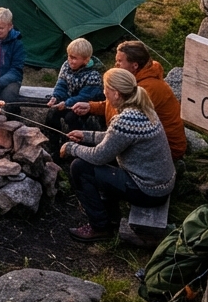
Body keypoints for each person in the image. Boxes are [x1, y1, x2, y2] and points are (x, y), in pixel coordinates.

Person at [61, 67, 176, 241]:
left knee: (80, 167)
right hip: (161, 182)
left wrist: (71, 148)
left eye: (106, 88)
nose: (103, 92)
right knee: (103, 164)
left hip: (149, 191)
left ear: (115, 93)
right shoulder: (142, 108)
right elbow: (116, 139)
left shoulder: (126, 120)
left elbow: (99, 156)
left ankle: (100, 227)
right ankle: (110, 215)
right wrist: (86, 135)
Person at [70, 41, 186, 161]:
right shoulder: (135, 79)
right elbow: (115, 103)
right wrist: (91, 107)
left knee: (87, 161)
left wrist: (93, 147)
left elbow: (123, 123)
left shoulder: (147, 89)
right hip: (144, 139)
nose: (116, 64)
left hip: (166, 150)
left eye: (120, 61)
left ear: (134, 65)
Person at [46, 38, 105, 133]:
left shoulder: (94, 74)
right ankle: (53, 142)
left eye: (74, 58)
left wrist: (66, 104)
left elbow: (85, 96)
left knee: (70, 118)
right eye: (69, 56)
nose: (70, 61)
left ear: (86, 60)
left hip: (87, 104)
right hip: (70, 101)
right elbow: (62, 84)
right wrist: (56, 97)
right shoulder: (66, 65)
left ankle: (78, 140)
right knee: (52, 113)